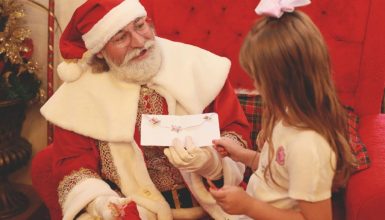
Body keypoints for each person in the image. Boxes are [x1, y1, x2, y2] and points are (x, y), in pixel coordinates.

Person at [39, 0, 251, 219]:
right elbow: (73, 167)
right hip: (136, 211)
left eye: (140, 25)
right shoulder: (80, 95)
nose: (139, 42)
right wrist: (102, 204)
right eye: (121, 37)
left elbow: (235, 131)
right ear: (100, 51)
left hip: (215, 205)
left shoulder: (199, 66)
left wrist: (211, 162)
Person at [209, 0, 356, 220]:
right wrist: (243, 156)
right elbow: (278, 171)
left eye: (259, 79)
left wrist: (249, 206)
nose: (256, 86)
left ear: (283, 82)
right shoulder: (288, 115)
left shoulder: (309, 146)